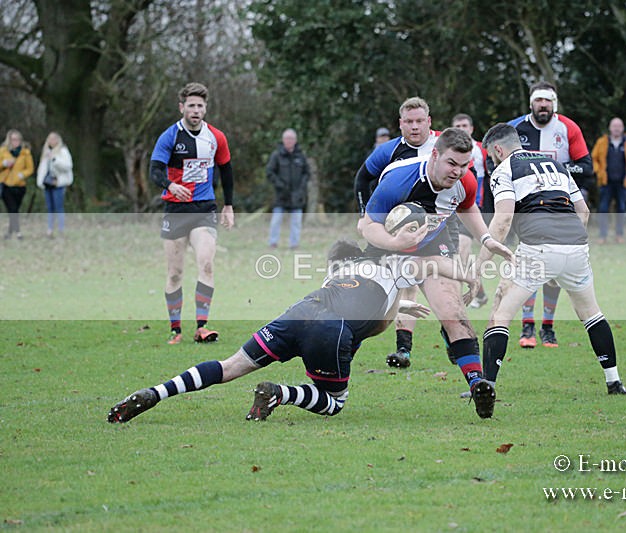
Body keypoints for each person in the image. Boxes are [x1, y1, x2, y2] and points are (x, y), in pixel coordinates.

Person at [107, 239, 478, 423]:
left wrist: (394, 304)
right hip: (331, 330)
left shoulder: (336, 274)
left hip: (300, 311)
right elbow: (431, 267)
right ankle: (279, 394)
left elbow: (359, 301)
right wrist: (470, 275)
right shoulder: (393, 266)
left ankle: (156, 392)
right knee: (334, 403)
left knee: (229, 366)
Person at [358, 127, 514, 418]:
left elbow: (468, 207)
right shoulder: (397, 180)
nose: (458, 171)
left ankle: (478, 384)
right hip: (386, 246)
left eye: (464, 165)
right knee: (366, 319)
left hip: (432, 246)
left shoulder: (464, 181)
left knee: (453, 312)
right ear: (435, 155)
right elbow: (365, 227)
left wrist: (487, 239)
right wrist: (396, 242)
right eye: (451, 164)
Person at [477, 123, 626, 395]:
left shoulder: (503, 170)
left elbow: (503, 220)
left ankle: (486, 384)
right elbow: (584, 211)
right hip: (576, 245)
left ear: (498, 149)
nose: (491, 160)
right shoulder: (556, 164)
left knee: (501, 312)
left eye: (491, 154)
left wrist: (480, 264)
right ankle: (614, 381)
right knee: (591, 313)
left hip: (538, 247)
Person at [353, 96, 440, 369]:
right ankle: (352, 340)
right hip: (392, 231)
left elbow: (463, 181)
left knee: (423, 286)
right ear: (400, 124)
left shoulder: (442, 148)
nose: (414, 127)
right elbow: (362, 178)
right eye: (409, 122)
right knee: (376, 283)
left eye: (419, 121)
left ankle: (408, 348)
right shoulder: (388, 151)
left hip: (435, 230)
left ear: (429, 122)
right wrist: (366, 216)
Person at [508, 81, 594, 350]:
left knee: (555, 271)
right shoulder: (515, 129)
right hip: (528, 209)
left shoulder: (568, 128)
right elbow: (496, 162)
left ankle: (547, 327)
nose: (542, 105)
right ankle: (527, 325)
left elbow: (587, 168)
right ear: (530, 103)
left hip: (562, 208)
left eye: (547, 101)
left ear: (554, 104)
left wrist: (558, 170)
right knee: (531, 265)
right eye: (538, 101)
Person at [149, 82, 235, 345]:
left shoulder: (216, 137)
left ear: (205, 108)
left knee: (206, 264)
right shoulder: (170, 136)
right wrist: (171, 185)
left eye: (200, 106)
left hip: (204, 210)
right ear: (182, 107)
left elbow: (227, 171)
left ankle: (202, 326)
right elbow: (154, 170)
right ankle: (176, 330)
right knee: (175, 272)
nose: (196, 110)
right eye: (191, 105)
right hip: (175, 211)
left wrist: (228, 205)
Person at [451, 113, 490, 308]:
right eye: (457, 126)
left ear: (472, 128)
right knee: (458, 256)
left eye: (464, 125)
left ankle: (457, 303)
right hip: (452, 209)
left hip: (475, 208)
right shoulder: (446, 152)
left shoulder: (482, 150)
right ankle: (479, 293)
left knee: (462, 250)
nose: (461, 129)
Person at [591, 117, 626, 243]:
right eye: (614, 126)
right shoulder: (602, 142)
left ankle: (619, 235)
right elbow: (594, 158)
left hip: (623, 183)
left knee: (622, 208)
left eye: (619, 126)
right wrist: (598, 171)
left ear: (623, 128)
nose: (616, 129)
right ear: (610, 128)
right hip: (605, 182)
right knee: (603, 209)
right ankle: (602, 236)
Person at [266, 128, 310, 250]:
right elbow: (270, 172)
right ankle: (273, 243)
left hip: (297, 195)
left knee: (296, 222)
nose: (289, 141)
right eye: (287, 138)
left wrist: (301, 188)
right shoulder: (276, 155)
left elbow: (307, 173)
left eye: (291, 139)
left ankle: (294, 244)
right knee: (276, 221)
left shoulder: (301, 156)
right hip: (281, 195)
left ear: (295, 140)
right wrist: (279, 184)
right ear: (283, 140)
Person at [35, 132, 73, 238]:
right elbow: (42, 169)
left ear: (58, 140)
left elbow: (68, 166)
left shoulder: (63, 151)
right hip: (47, 183)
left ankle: (61, 229)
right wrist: (40, 181)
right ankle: (50, 229)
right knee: (49, 207)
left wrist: (54, 159)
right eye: (49, 139)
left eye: (54, 139)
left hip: (59, 183)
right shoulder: (45, 152)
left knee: (59, 207)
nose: (51, 141)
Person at [0, 129, 34, 239]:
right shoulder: (3, 151)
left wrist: (22, 174)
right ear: (9, 140)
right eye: (13, 139)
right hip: (6, 184)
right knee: (12, 209)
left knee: (14, 210)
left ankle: (10, 232)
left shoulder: (25, 153)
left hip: (19, 185)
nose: (16, 142)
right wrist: (4, 164)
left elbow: (30, 168)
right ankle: (18, 232)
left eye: (17, 139)